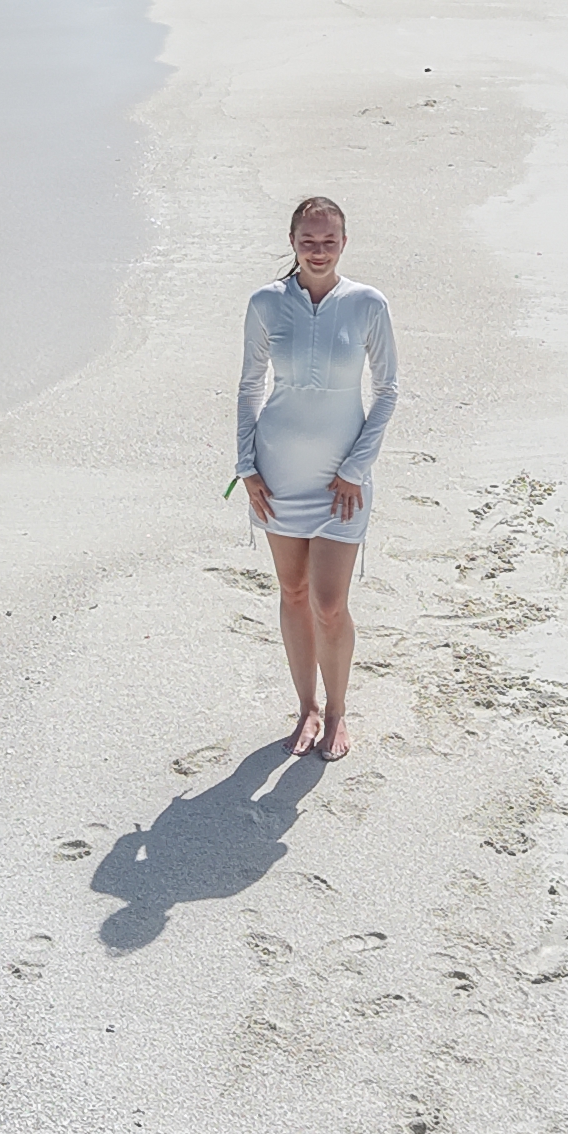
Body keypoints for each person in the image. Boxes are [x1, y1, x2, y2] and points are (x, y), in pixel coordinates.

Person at [234, 194, 400, 761]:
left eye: (329, 241)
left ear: (344, 243)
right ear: (292, 242)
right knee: (293, 592)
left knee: (330, 603)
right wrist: (245, 465)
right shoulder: (265, 303)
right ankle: (305, 708)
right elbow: (250, 385)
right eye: (308, 240)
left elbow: (388, 391)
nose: (319, 250)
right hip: (277, 475)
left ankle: (337, 711)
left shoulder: (367, 304)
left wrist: (356, 468)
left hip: (342, 484)